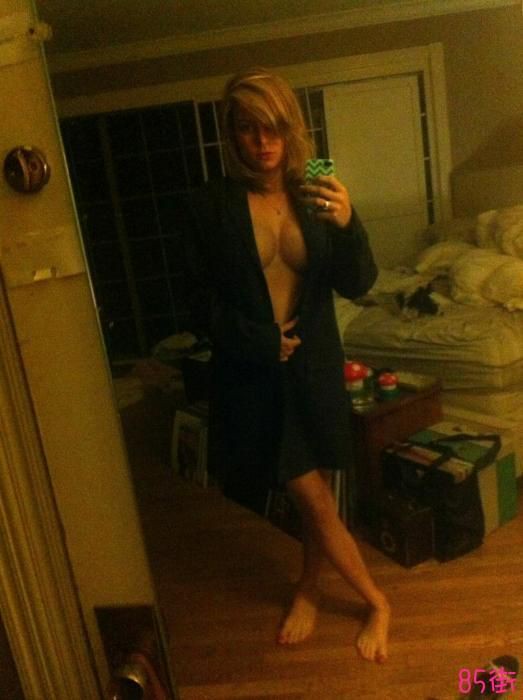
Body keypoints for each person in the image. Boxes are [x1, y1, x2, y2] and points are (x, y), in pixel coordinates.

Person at [183, 67, 390, 663]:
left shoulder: (316, 187)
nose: (263, 141)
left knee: (314, 490)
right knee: (312, 496)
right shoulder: (210, 204)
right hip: (254, 370)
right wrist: (255, 340)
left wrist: (349, 223)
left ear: (290, 127)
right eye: (248, 128)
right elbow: (195, 303)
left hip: (315, 364)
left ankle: (309, 587)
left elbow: (359, 282)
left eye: (273, 126)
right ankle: (377, 601)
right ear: (231, 134)